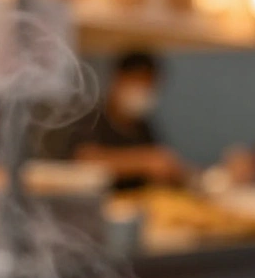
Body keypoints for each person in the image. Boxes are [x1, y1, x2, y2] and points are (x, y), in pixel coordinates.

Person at [40, 51, 187, 189]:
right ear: (118, 78)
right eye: (138, 81)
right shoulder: (92, 117)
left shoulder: (142, 126)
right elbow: (84, 159)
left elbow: (160, 166)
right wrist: (143, 161)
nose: (143, 91)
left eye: (149, 85)